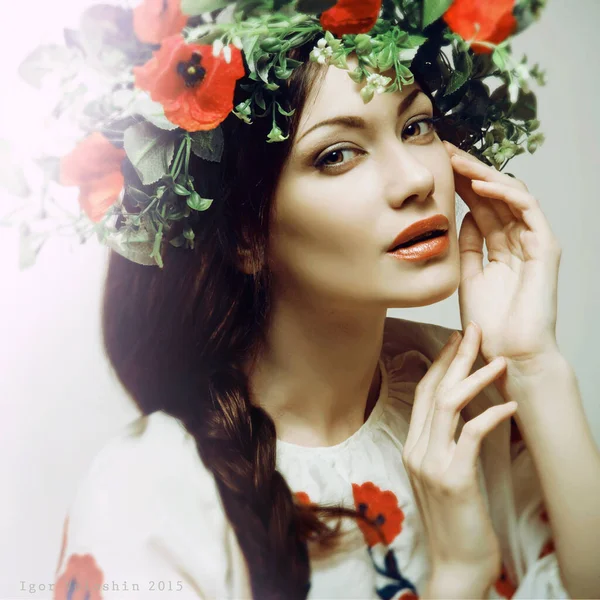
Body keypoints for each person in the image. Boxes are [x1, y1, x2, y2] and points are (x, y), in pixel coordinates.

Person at [41, 1, 599, 599]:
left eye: (416, 126)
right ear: (247, 234)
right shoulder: (147, 492)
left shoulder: (461, 398)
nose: (415, 178)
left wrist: (534, 365)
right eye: (337, 154)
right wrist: (460, 574)